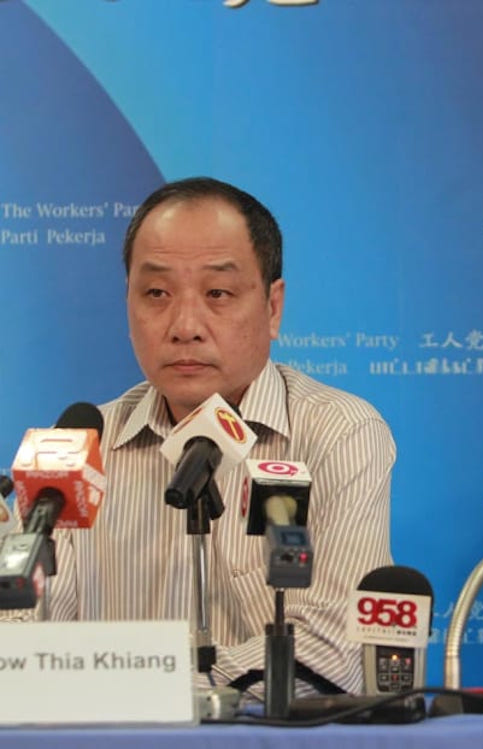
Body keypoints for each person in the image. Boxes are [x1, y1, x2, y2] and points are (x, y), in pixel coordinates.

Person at [39, 177, 396, 696]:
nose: (185, 325)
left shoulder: (338, 432)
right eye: (156, 293)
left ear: (272, 308)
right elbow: (22, 630)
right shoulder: (82, 441)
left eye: (218, 294)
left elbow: (328, 652)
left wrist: (146, 692)